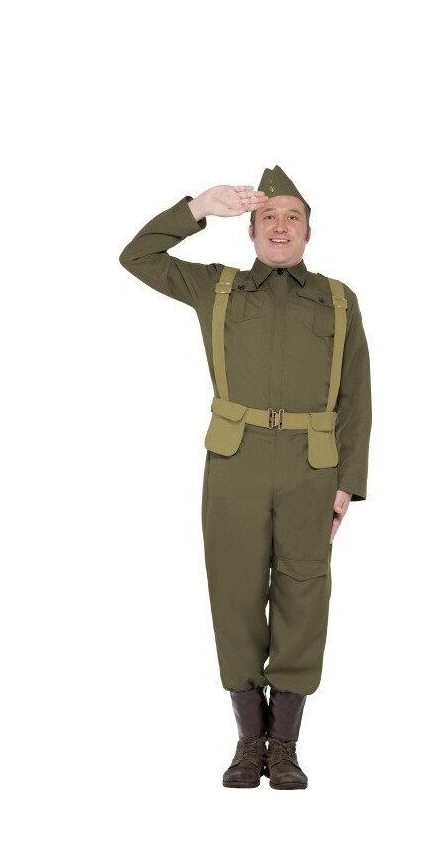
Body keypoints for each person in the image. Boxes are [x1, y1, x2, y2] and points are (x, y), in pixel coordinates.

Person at [119, 166, 371, 790]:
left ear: (309, 231)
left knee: (304, 597)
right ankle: (248, 740)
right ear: (250, 230)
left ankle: (283, 746)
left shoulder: (339, 300)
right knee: (233, 595)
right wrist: (198, 207)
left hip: (312, 469)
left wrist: (348, 481)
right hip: (236, 465)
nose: (280, 226)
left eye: (292, 216)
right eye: (267, 217)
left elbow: (356, 397)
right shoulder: (218, 288)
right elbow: (137, 256)